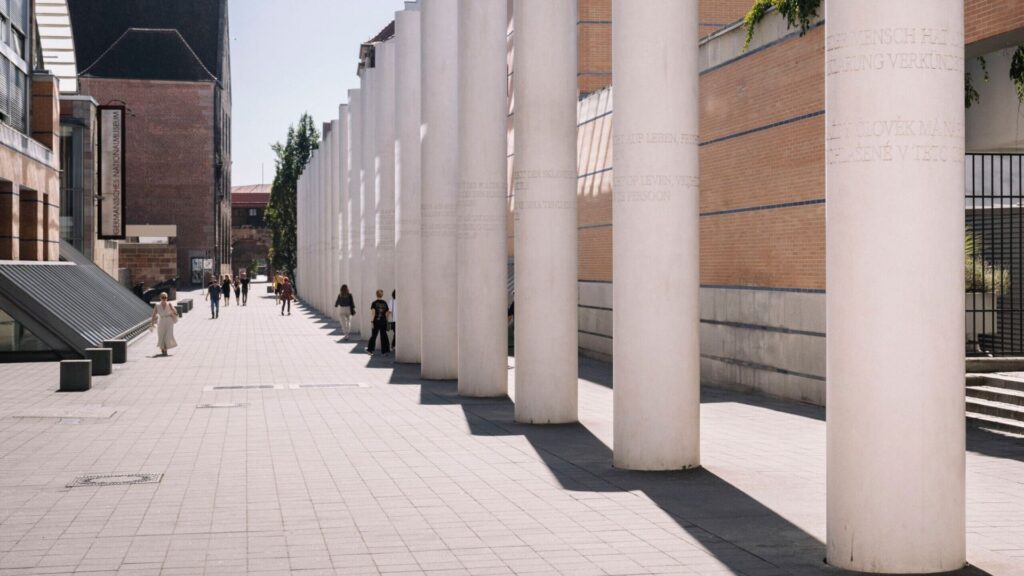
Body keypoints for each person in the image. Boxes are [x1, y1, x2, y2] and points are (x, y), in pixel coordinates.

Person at [367, 289, 390, 356]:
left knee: (374, 336)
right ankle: (384, 352)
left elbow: (373, 313)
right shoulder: (384, 303)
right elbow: (387, 313)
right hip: (383, 321)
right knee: (383, 336)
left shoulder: (374, 303)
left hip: (376, 321)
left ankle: (370, 350)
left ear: (376, 294)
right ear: (382, 295)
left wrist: (372, 321)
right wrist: (386, 320)